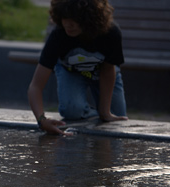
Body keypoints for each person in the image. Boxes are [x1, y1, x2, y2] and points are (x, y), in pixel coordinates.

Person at [28, 0, 128, 135]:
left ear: (90, 18)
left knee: (116, 120)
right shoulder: (59, 36)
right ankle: (91, 115)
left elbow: (108, 70)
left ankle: (99, 114)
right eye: (65, 17)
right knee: (72, 110)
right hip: (70, 71)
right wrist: (41, 120)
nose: (69, 24)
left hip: (102, 72)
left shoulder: (110, 33)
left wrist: (105, 112)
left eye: (76, 19)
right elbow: (35, 86)